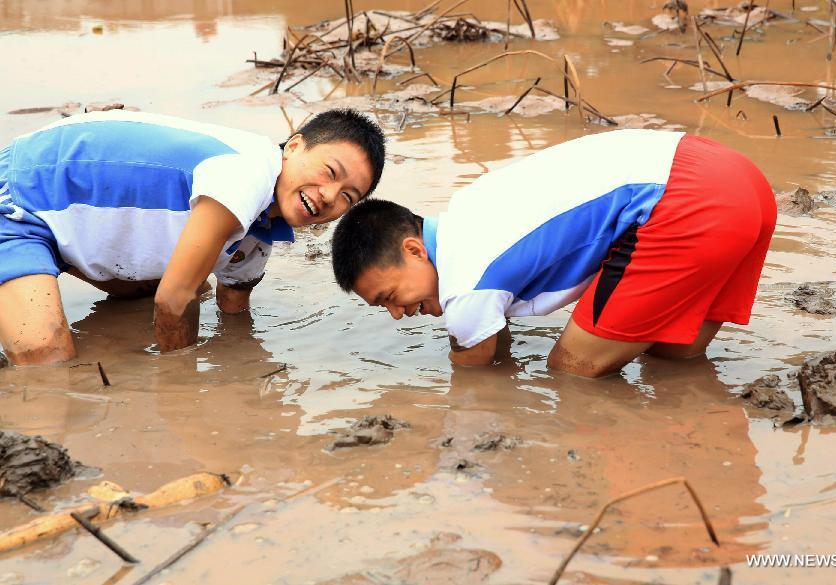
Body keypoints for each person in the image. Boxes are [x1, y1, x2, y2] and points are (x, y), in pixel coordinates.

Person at [330, 130, 775, 377]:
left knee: (571, 371)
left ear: (414, 250)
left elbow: (474, 383)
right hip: (736, 177)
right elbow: (493, 338)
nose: (398, 314)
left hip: (686, 201)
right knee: (672, 362)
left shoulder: (465, 286)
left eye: (389, 296)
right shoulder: (469, 209)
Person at [0, 108, 385, 365]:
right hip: (20, 191)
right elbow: (174, 299)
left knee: (182, 284)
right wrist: (182, 383)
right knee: (47, 358)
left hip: (68, 210)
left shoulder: (264, 228)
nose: (329, 196)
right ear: (295, 146)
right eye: (330, 172)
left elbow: (234, 310)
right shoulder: (246, 175)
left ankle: (52, 263)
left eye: (347, 197)